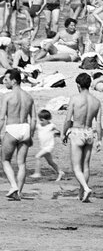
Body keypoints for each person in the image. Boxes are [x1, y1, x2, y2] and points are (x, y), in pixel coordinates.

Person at [62, 72, 102, 202]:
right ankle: (81, 194)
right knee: (86, 166)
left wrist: (63, 133)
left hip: (77, 132)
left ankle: (85, 188)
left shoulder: (75, 98)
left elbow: (68, 119)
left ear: (78, 85)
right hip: (89, 132)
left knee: (76, 167)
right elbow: (99, 123)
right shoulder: (96, 101)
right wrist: (100, 139)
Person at [1, 69, 36, 200]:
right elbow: (34, 119)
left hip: (12, 128)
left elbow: (2, 118)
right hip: (25, 128)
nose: (4, 82)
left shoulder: (7, 96)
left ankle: (13, 185)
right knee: (21, 163)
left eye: (6, 79)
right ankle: (18, 193)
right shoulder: (29, 97)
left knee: (5, 160)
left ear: (14, 81)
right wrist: (31, 134)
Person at [30, 109, 62, 181]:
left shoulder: (51, 126)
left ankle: (37, 173)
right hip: (43, 147)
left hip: (49, 147)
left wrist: (56, 134)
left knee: (37, 156)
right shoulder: (39, 126)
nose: (41, 121)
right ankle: (60, 172)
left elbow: (58, 132)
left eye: (42, 120)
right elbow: (32, 129)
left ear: (48, 119)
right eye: (40, 119)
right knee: (50, 162)